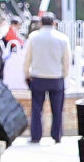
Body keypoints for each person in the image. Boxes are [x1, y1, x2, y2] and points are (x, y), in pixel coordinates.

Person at [24, 14, 71, 143]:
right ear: (54, 23)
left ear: (40, 23)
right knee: (57, 109)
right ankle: (56, 135)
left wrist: (26, 74)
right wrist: (64, 74)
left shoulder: (34, 37)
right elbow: (67, 60)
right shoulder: (62, 38)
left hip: (38, 76)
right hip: (56, 77)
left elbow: (27, 58)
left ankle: (36, 136)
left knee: (36, 109)